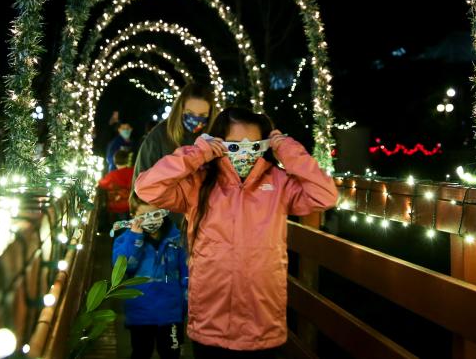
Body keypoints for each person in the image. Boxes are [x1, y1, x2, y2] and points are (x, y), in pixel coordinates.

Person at [135, 107, 338, 356]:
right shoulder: (199, 183)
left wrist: (288, 150)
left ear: (265, 146)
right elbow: (147, 188)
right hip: (211, 320)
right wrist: (197, 153)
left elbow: (325, 196)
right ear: (218, 144)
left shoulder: (279, 183)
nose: (244, 154)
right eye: (233, 146)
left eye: (253, 146)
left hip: (262, 322)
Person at [112, 194, 188, 359]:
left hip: (171, 312)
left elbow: (186, 270)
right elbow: (124, 268)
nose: (151, 220)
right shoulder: (123, 240)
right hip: (140, 312)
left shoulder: (177, 238)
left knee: (172, 354)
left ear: (163, 212)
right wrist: (135, 238)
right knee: (141, 353)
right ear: (133, 216)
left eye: (155, 214)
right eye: (143, 216)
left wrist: (186, 301)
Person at [132, 82, 216, 188]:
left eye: (202, 115)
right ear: (180, 109)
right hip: (164, 203)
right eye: (190, 113)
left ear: (210, 114)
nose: (196, 120)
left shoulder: (214, 137)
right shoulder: (160, 136)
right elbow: (140, 180)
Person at [98, 147, 135, 228]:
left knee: (119, 227)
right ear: (127, 160)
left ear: (115, 162)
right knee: (130, 225)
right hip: (131, 205)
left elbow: (102, 184)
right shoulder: (133, 171)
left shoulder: (112, 175)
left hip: (117, 207)